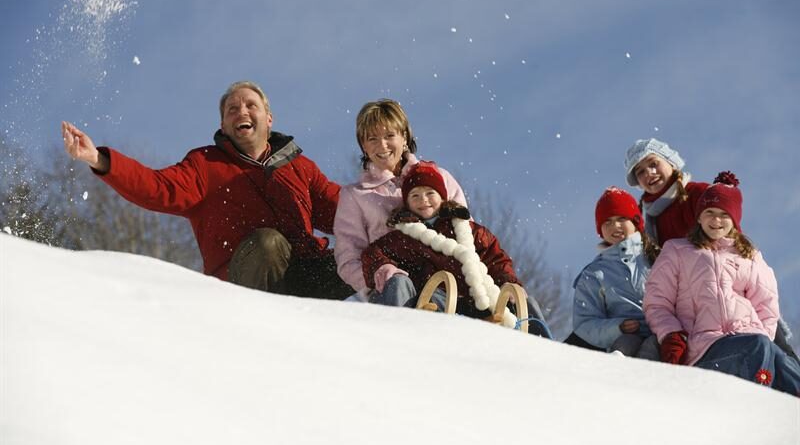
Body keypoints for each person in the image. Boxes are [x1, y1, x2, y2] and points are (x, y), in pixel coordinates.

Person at [61, 80, 353, 300]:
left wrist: (382, 210)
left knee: (367, 256)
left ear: (269, 118)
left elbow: (347, 211)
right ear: (224, 126)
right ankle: (266, 335)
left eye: (251, 105)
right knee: (268, 243)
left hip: (305, 271)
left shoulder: (300, 167)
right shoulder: (206, 164)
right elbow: (158, 187)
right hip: (245, 284)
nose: (242, 111)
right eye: (232, 109)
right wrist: (99, 159)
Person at [625, 138, 798, 361]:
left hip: (727, 289)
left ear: (671, 162)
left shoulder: (697, 194)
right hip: (690, 299)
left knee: (773, 346)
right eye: (640, 171)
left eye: (653, 163)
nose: (649, 173)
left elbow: (729, 237)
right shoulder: (651, 217)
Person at [644, 172, 800, 396]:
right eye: (709, 212)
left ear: (734, 219)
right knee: (759, 348)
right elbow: (657, 303)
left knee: (787, 368)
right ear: (699, 217)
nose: (716, 221)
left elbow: (766, 303)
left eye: (724, 214)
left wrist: (763, 334)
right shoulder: (677, 251)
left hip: (752, 341)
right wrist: (672, 335)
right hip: (705, 347)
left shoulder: (749, 256)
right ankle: (753, 405)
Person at [333, 99, 467, 298]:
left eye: (389, 135)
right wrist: (383, 279)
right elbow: (349, 259)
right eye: (372, 139)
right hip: (392, 291)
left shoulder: (440, 179)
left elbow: (467, 233)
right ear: (364, 146)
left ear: (404, 137)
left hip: (448, 286)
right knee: (400, 287)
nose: (382, 145)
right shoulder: (355, 196)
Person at [360, 161, 521, 326]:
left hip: (476, 301)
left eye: (430, 193)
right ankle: (401, 331)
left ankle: (533, 336)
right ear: (407, 203)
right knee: (427, 294)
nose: (423, 200)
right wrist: (385, 267)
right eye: (415, 196)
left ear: (442, 197)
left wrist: (507, 280)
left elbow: (495, 259)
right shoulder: (403, 237)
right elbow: (372, 253)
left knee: (523, 302)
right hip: (430, 300)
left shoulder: (471, 231)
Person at [570, 187, 660, 359]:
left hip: (660, 332)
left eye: (621, 219)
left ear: (635, 222)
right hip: (624, 337)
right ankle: (617, 370)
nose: (615, 226)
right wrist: (616, 328)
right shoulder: (594, 273)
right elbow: (584, 322)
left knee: (653, 347)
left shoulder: (656, 256)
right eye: (607, 222)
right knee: (625, 345)